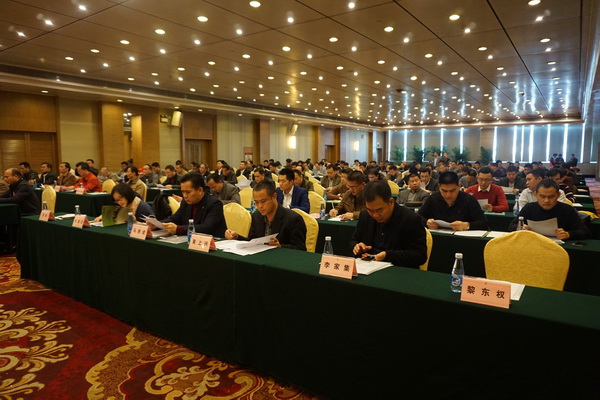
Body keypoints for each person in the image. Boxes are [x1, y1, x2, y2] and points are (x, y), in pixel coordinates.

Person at [350, 181, 427, 267]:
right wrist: (357, 247)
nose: (375, 215)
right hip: (367, 266)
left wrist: (387, 256)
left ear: (391, 202)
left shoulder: (410, 219)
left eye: (379, 210)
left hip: (397, 269)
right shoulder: (365, 215)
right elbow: (354, 240)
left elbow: (420, 256)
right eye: (370, 210)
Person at [225, 180, 306, 250]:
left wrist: (280, 246)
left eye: (263, 201)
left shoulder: (293, 219)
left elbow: (301, 249)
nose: (260, 206)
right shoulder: (256, 216)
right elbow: (252, 242)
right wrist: (237, 237)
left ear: (274, 197)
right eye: (256, 202)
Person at [509, 179, 589, 240]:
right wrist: (520, 227)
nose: (546, 200)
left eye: (551, 197)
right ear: (535, 194)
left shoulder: (567, 210)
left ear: (558, 195)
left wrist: (568, 234)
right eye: (542, 196)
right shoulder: (529, 208)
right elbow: (512, 226)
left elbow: (585, 232)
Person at [154, 172, 226, 237]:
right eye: (183, 192)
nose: (185, 196)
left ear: (200, 190)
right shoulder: (186, 202)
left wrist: (179, 229)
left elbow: (206, 227)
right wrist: (158, 224)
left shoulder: (214, 204)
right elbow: (176, 218)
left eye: (188, 192)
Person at [418, 171, 488, 231]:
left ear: (459, 186)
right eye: (444, 191)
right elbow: (418, 216)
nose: (448, 195)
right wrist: (427, 222)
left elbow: (483, 223)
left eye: (452, 191)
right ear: (439, 187)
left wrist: (467, 225)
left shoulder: (469, 200)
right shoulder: (433, 198)